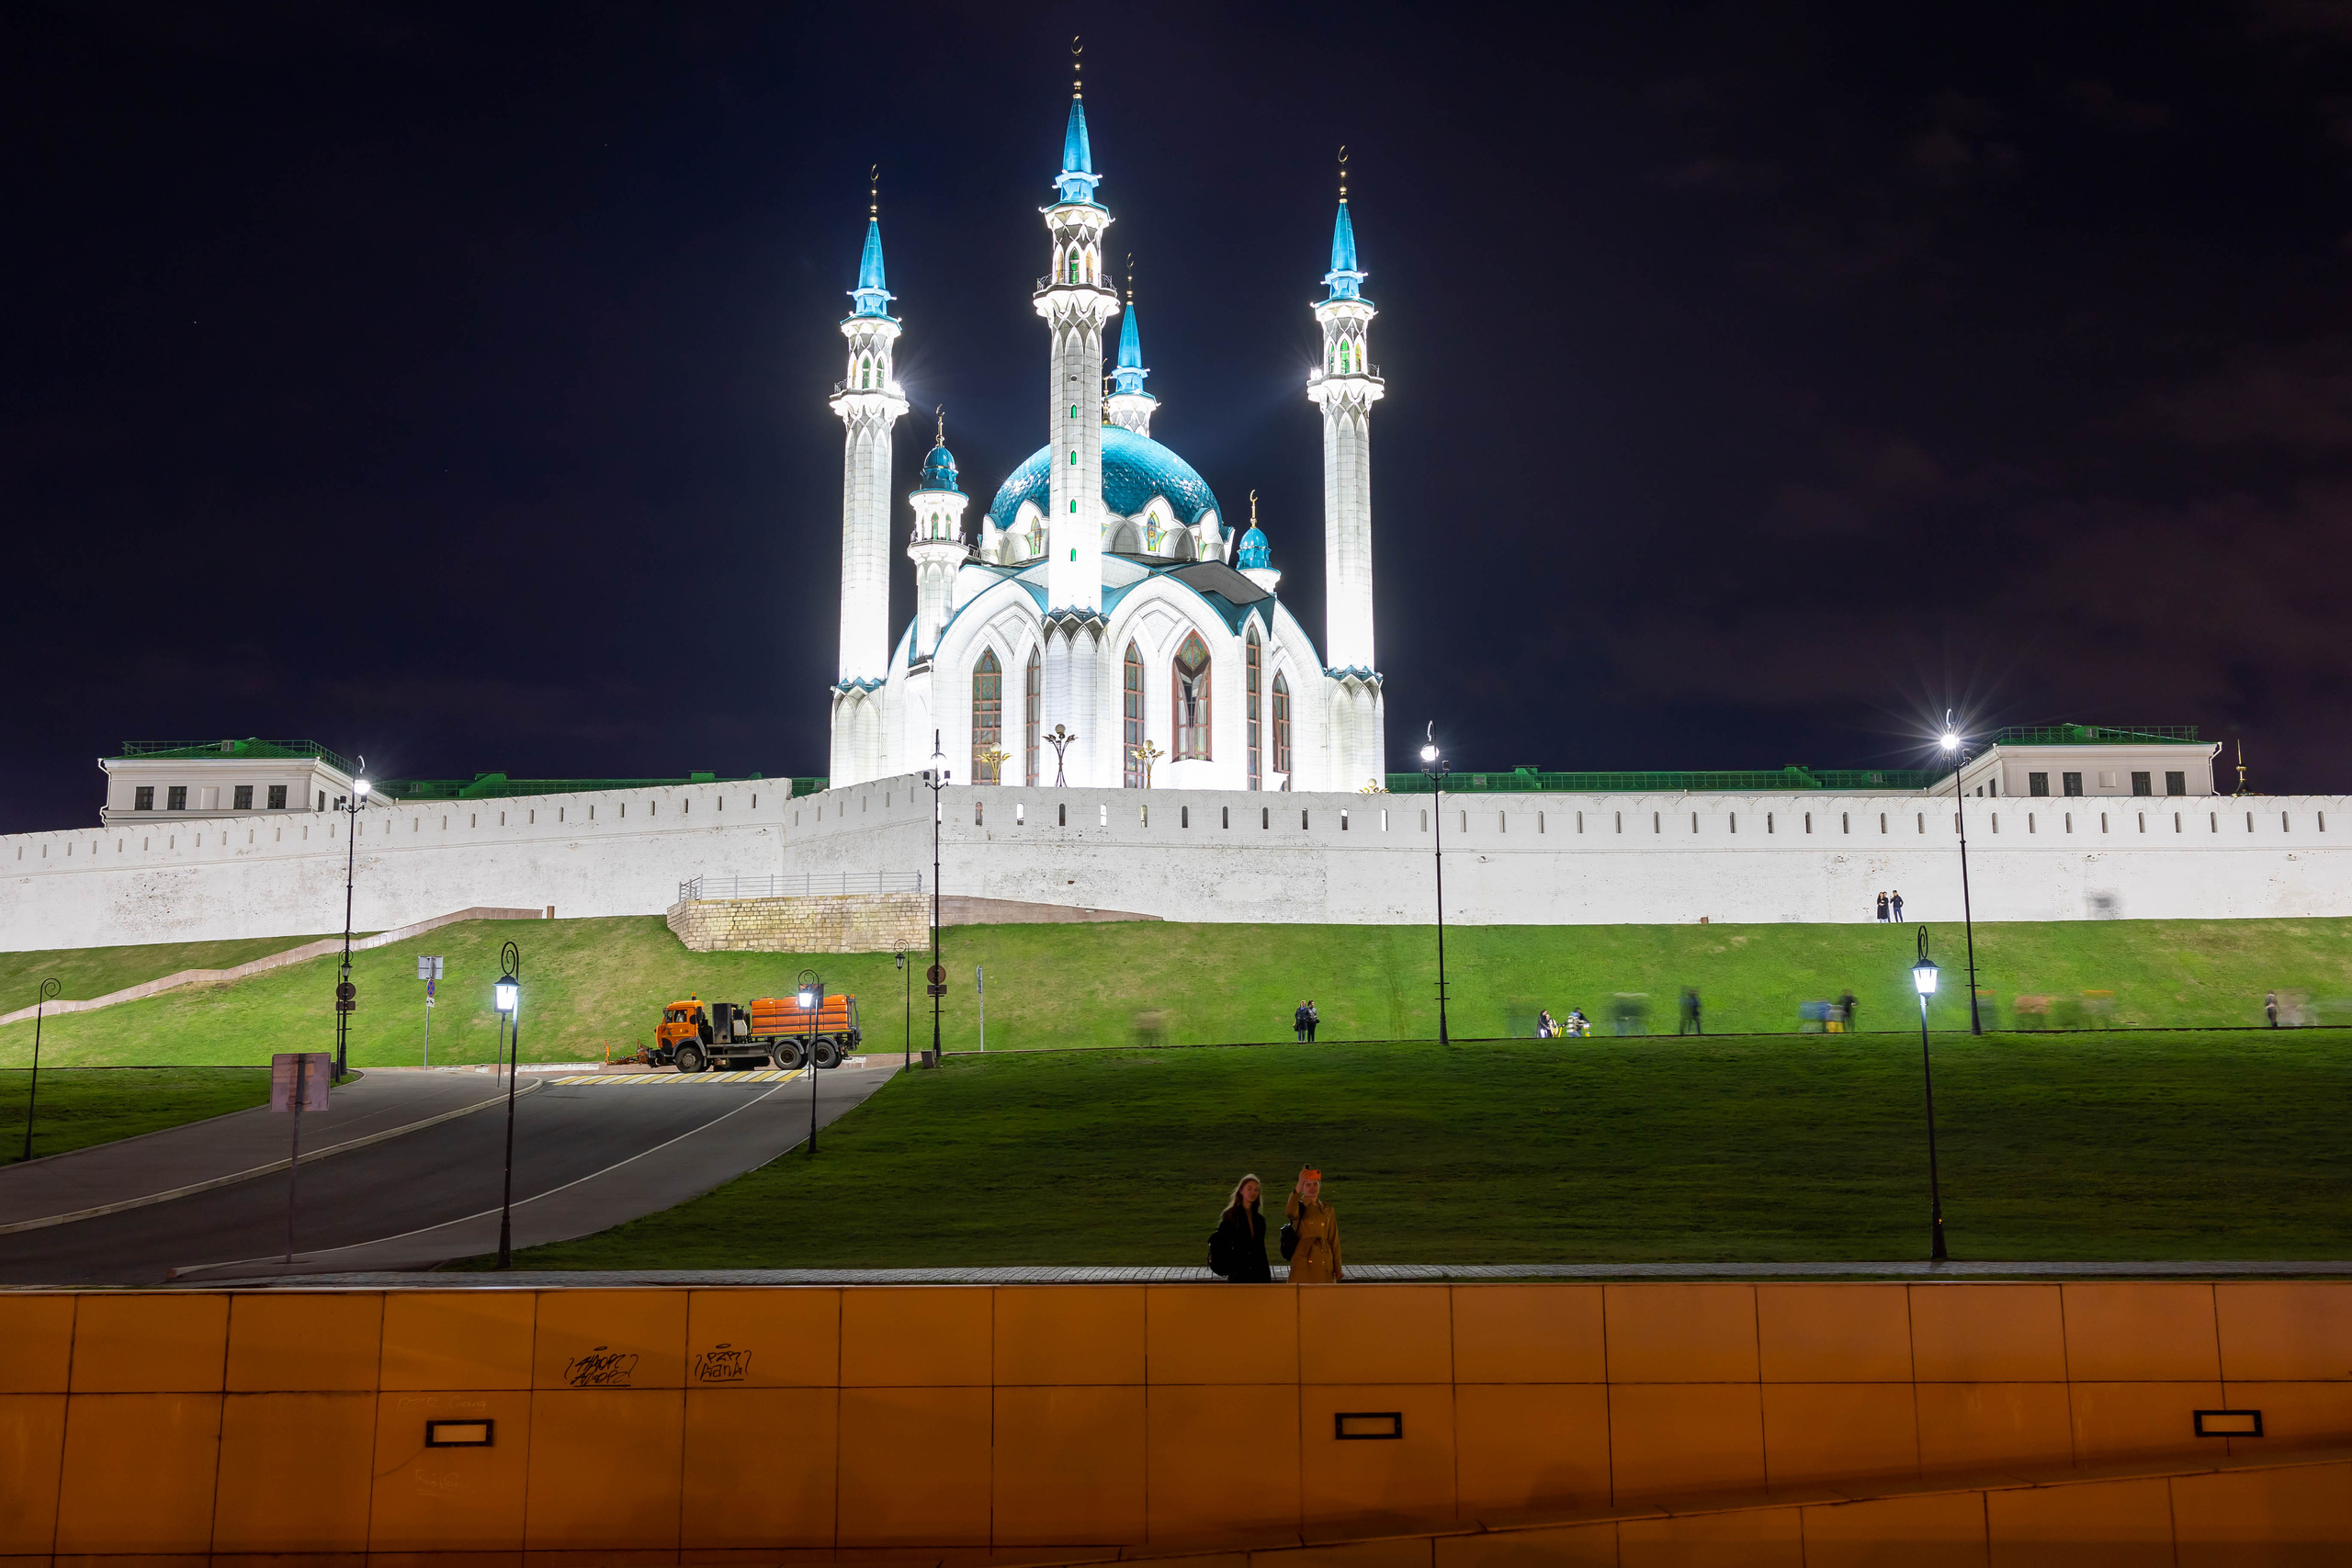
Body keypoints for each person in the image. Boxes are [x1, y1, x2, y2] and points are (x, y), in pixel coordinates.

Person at [1208, 1173, 1272, 1282]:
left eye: (1256, 1190)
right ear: (1241, 1191)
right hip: (1238, 1273)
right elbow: (1223, 1244)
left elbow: (1260, 1251)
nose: (1253, 1192)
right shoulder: (1231, 1215)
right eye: (1249, 1189)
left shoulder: (1259, 1220)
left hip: (1258, 1274)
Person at [1285, 1166, 1342, 1282]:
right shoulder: (1299, 1207)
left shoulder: (1327, 1209)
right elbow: (1289, 1212)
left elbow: (1334, 1239)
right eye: (1307, 1184)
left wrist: (1338, 1267)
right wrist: (1298, 1187)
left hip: (1325, 1260)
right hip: (1304, 1261)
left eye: (1315, 1184)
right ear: (1303, 1188)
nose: (1312, 1188)